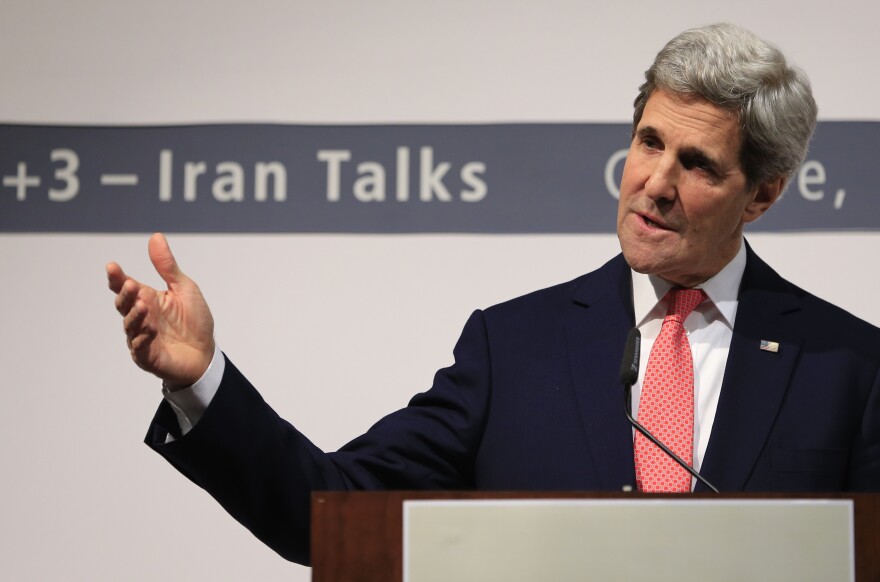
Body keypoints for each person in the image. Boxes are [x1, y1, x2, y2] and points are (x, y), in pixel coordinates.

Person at [107, 23, 880, 565]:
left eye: (699, 165)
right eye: (648, 142)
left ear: (763, 195)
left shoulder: (850, 366)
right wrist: (200, 379)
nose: (655, 184)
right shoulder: (514, 347)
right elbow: (330, 511)